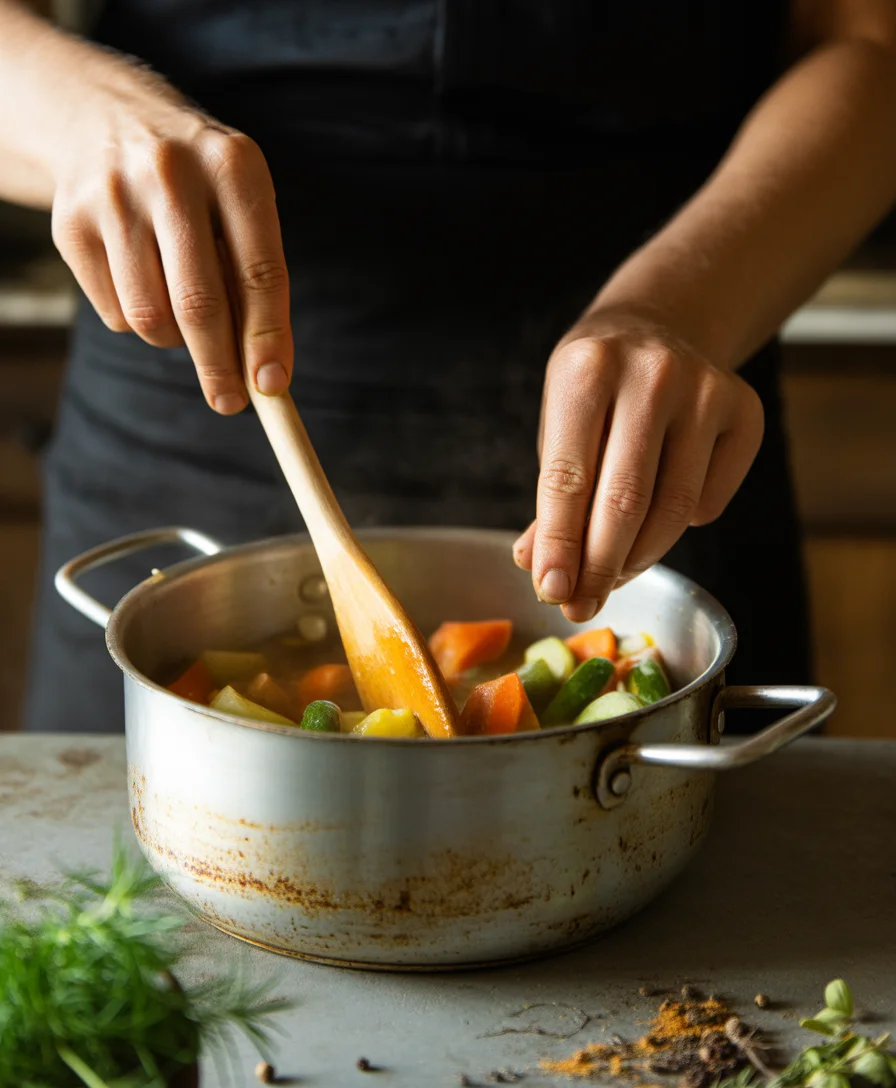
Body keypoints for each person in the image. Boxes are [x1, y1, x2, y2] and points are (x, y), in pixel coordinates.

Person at [3, 1, 895, 731]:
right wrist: (84, 122)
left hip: (658, 414)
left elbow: (864, 45)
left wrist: (685, 309)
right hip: (185, 389)